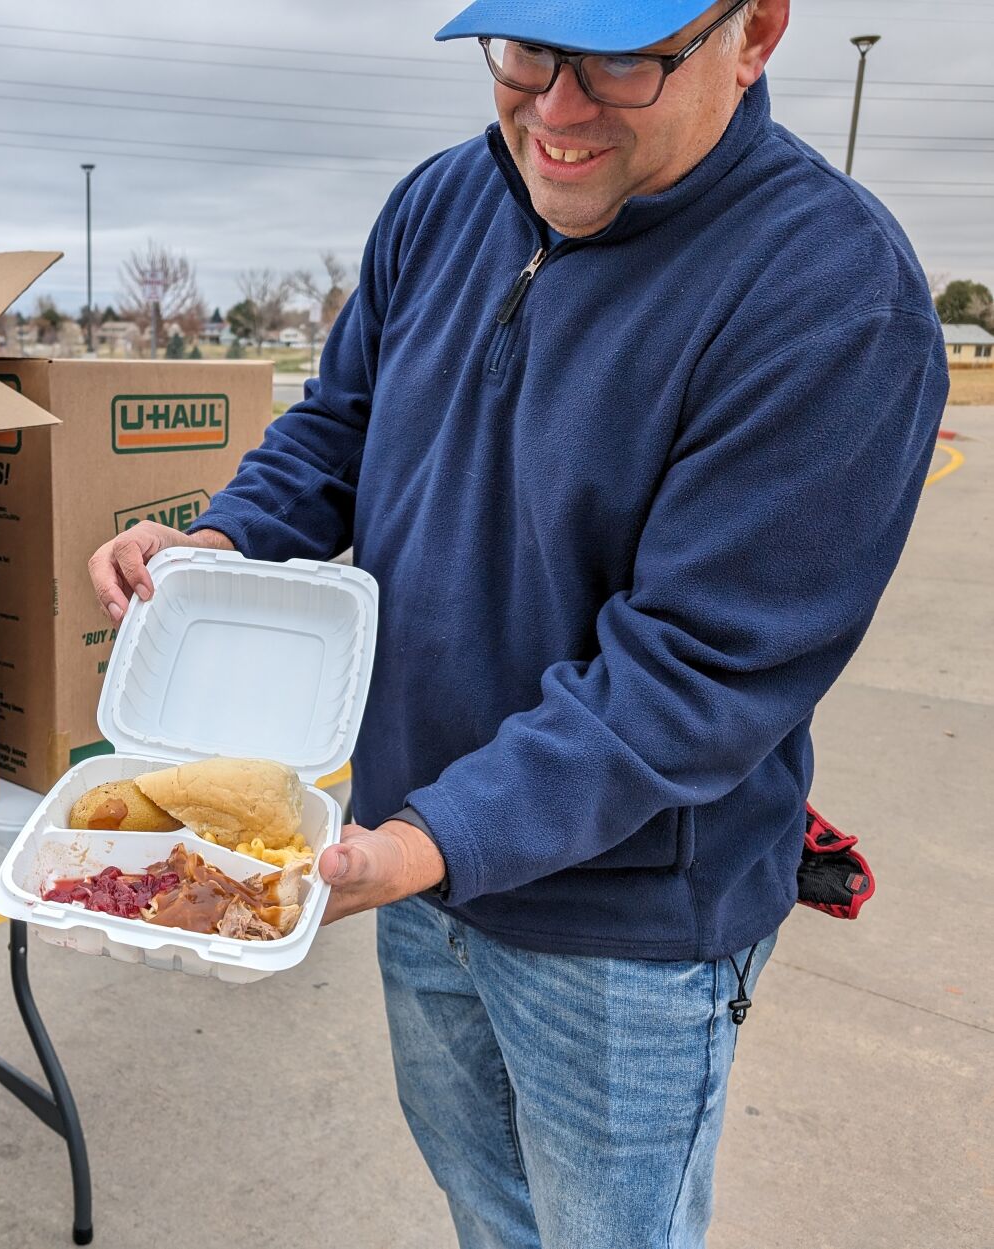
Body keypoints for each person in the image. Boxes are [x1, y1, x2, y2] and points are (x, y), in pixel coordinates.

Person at [88, 0, 948, 1244]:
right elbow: (339, 426)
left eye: (619, 61)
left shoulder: (832, 296)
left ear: (754, 32)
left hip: (624, 930)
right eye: (528, 50)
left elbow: (695, 674)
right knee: (488, 1208)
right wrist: (220, 544)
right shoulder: (440, 204)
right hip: (417, 866)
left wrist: (430, 837)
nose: (556, 109)